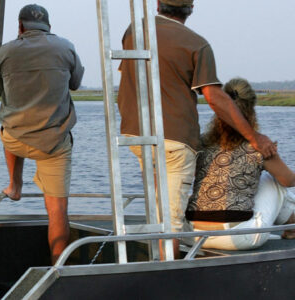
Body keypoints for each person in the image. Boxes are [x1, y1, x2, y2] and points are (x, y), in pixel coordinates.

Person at [116, 0, 277, 255]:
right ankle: (166, 274)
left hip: (136, 134)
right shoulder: (197, 44)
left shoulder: (135, 30)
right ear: (191, 9)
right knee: (171, 222)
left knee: (161, 209)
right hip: (175, 139)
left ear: (158, 5)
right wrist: (254, 136)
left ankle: (158, 263)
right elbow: (214, 97)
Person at [0, 4, 84, 264]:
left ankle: (15, 184)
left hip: (15, 140)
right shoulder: (65, 46)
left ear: (20, 26)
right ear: (48, 27)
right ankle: (58, 268)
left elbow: (0, 89)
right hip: (54, 143)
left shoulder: (5, 51)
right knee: (57, 211)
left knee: (9, 124)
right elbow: (76, 84)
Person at [184, 78, 295, 250]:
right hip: (236, 237)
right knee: (273, 180)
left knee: (257, 180)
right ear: (251, 109)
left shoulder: (203, 141)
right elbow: (289, 181)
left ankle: (291, 224)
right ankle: (292, 224)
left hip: (195, 234)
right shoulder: (259, 145)